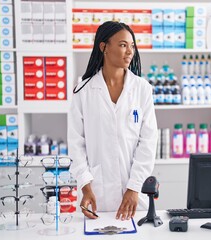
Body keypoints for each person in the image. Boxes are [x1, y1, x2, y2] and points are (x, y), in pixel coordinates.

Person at [68, 21, 158, 221]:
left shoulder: (142, 89)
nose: (129, 52)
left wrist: (134, 187)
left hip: (135, 195)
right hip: (96, 194)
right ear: (104, 47)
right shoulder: (83, 91)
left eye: (132, 46)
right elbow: (76, 144)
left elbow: (149, 142)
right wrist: (85, 185)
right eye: (123, 45)